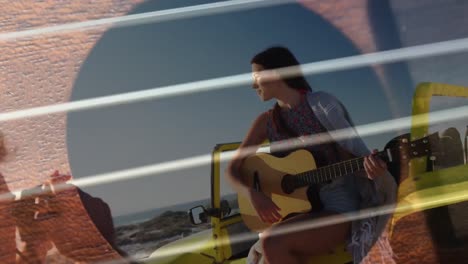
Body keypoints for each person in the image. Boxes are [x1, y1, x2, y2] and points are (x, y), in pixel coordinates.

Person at [225, 46, 397, 264]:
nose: (253, 84)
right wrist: (252, 194)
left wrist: (371, 170)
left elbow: (350, 154)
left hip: (337, 204)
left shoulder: (322, 105)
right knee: (270, 245)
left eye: (256, 76)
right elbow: (232, 169)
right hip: (297, 212)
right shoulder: (265, 122)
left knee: (271, 243)